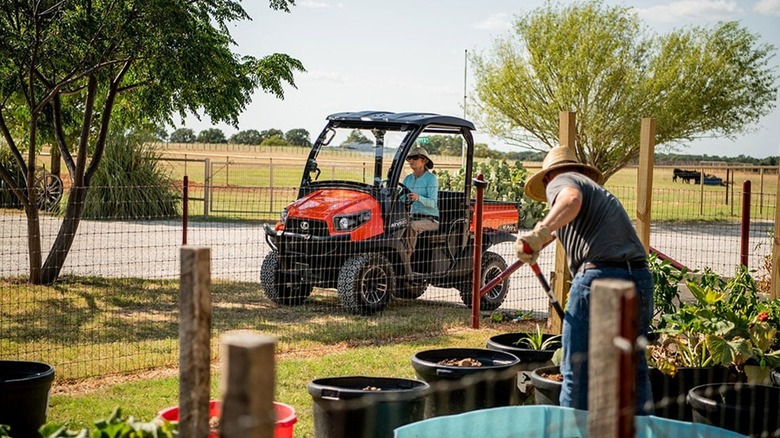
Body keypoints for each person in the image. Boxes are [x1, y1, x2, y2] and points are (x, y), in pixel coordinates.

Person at [515, 146, 654, 415]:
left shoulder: (562, 181)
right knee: (633, 372)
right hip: (638, 278)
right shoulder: (597, 193)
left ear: (547, 179)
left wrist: (539, 232)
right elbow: (568, 219)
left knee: (576, 371)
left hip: (599, 278)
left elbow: (570, 200)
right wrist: (537, 245)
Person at [402, 146, 439, 258]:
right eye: (409, 158)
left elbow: (433, 203)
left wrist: (419, 198)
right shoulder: (407, 178)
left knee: (411, 226)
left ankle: (406, 257)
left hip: (431, 220)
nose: (411, 161)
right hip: (412, 216)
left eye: (415, 158)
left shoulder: (431, 178)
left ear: (424, 161)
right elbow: (401, 197)